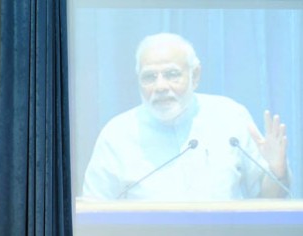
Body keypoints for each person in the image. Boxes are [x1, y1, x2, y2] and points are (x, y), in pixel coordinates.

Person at [83, 32, 290, 201]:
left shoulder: (230, 117)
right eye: (149, 77)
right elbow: (93, 213)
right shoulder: (117, 134)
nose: (160, 86)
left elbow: (269, 202)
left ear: (195, 76)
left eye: (172, 74)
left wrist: (276, 171)